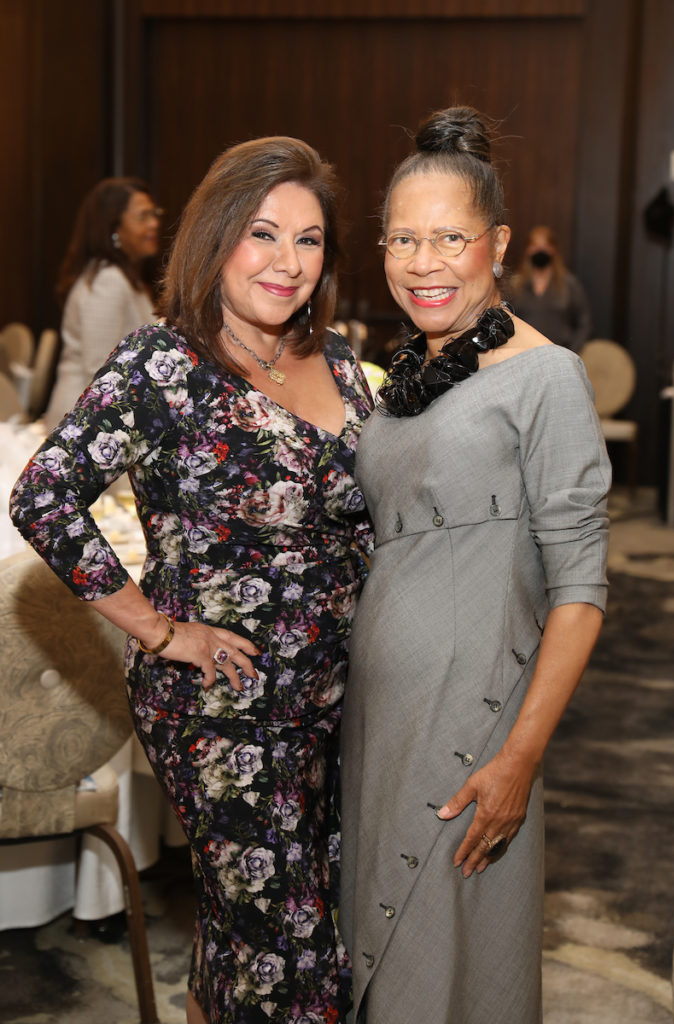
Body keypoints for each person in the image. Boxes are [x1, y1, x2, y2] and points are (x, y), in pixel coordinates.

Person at [11, 136, 373, 1024]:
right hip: (223, 707)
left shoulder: (338, 360)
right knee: (295, 965)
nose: (287, 262)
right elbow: (46, 497)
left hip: (342, 703)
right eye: (263, 233)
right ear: (215, 235)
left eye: (310, 239)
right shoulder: (163, 366)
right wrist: (160, 630)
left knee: (272, 929)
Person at [339, 106, 611, 1024]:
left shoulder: (547, 377)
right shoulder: (409, 371)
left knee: (451, 967)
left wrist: (517, 760)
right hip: (379, 720)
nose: (422, 262)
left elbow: (579, 593)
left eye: (449, 238)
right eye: (402, 240)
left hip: (474, 727)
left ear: (495, 244)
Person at [43, 177, 161, 429]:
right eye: (143, 216)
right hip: (84, 423)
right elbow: (99, 367)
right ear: (114, 227)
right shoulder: (107, 280)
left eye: (154, 213)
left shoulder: (123, 276)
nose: (154, 223)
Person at [506, 224, 592, 352]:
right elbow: (506, 320)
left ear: (553, 249)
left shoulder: (569, 284)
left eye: (545, 246)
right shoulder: (515, 285)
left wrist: (572, 352)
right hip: (524, 355)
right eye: (535, 246)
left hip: (560, 354)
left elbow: (585, 323)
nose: (540, 250)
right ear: (528, 250)